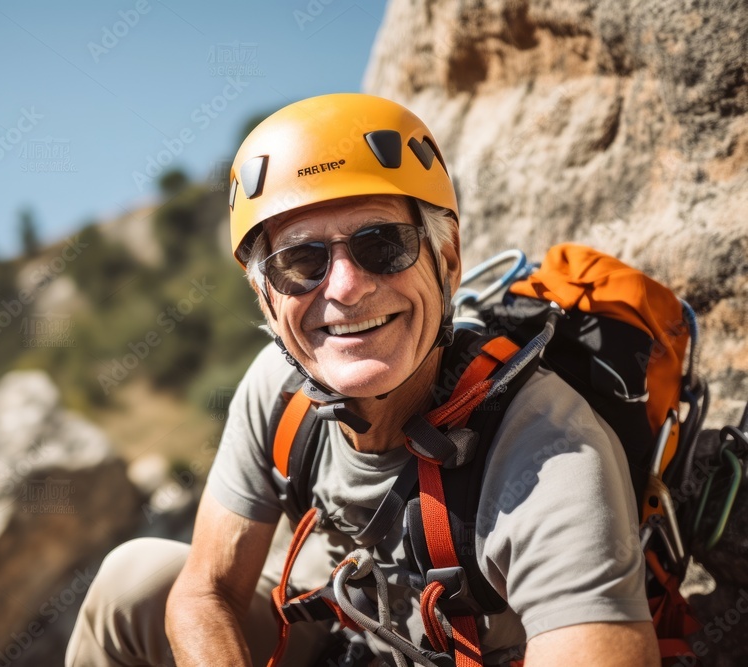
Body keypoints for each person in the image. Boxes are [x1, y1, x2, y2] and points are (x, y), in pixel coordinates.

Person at [66, 93, 660, 667]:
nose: (346, 288)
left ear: (446, 259)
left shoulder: (548, 457)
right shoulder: (280, 389)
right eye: (301, 263)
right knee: (131, 581)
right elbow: (205, 591)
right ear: (266, 297)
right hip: (354, 645)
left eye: (383, 245)